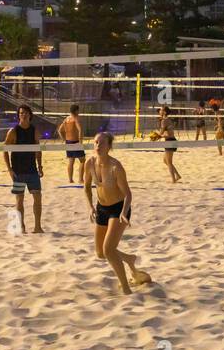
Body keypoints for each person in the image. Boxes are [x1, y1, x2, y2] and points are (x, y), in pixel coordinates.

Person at [83, 131, 151, 294]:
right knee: (101, 253)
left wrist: (124, 212)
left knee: (108, 250)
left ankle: (126, 289)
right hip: (101, 208)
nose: (98, 145)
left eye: (102, 143)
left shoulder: (116, 167)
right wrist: (90, 207)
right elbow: (86, 188)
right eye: (96, 142)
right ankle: (129, 259)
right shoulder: (89, 163)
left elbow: (128, 194)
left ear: (109, 147)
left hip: (119, 209)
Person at [5, 104, 45, 233]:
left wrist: (40, 166)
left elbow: (38, 150)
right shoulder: (13, 131)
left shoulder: (34, 131)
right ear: (18, 115)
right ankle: (22, 226)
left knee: (37, 197)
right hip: (18, 171)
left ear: (30, 115)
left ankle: (37, 227)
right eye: (21, 113)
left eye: (25, 113)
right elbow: (4, 150)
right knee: (19, 199)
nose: (23, 115)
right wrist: (9, 169)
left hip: (32, 170)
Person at [58, 103, 86, 183]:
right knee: (82, 160)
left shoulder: (66, 119)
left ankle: (70, 179)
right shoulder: (76, 118)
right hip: (75, 142)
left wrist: (64, 140)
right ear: (76, 111)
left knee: (71, 161)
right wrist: (80, 142)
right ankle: (80, 179)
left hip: (68, 142)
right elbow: (80, 130)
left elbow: (60, 130)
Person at [157, 105, 181, 182]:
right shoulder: (167, 119)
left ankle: (173, 179)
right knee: (165, 160)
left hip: (170, 141)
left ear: (164, 112)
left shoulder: (164, 120)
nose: (159, 111)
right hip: (171, 140)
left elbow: (161, 133)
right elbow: (167, 133)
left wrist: (156, 135)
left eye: (161, 110)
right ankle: (177, 175)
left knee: (169, 162)